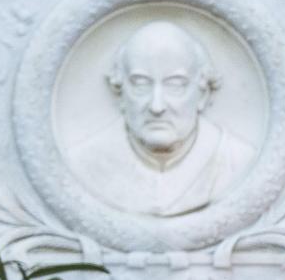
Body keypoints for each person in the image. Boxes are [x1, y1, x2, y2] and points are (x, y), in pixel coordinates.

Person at [68, 20, 256, 217]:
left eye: (175, 85)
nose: (157, 106)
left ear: (203, 94)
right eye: (140, 84)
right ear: (120, 93)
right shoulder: (85, 163)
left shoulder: (238, 162)